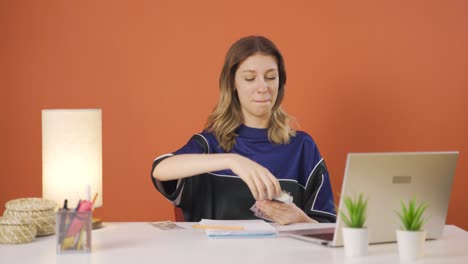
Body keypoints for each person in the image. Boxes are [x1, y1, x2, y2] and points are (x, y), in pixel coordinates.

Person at [151, 36, 336, 224]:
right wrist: (233, 161)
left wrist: (301, 220)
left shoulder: (302, 147)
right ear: (233, 83)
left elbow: (328, 231)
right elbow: (160, 169)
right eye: (250, 78)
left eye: (271, 77)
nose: (263, 87)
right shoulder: (210, 144)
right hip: (216, 254)